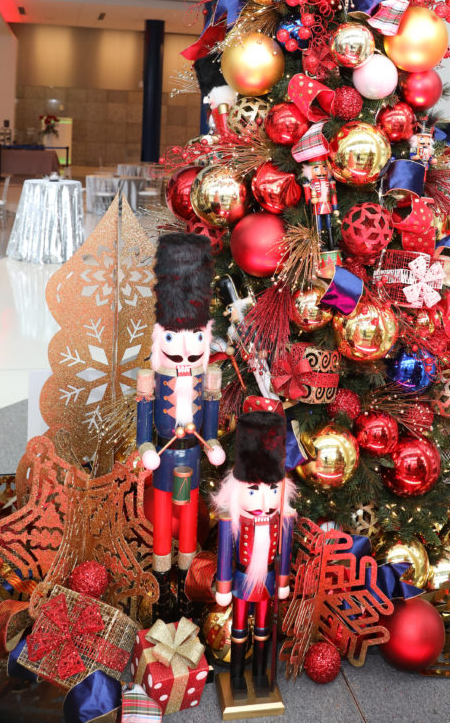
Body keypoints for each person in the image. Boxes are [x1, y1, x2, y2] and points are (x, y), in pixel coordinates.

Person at [137, 233, 225, 620]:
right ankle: (159, 586)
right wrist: (146, 450)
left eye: (195, 338)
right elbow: (143, 431)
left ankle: (187, 586)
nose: (185, 349)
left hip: (191, 460)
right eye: (174, 337)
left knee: (189, 518)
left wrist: (213, 444)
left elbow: (211, 429)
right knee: (161, 522)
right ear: (161, 337)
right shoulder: (153, 380)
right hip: (164, 459)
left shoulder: (208, 382)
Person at [213, 404, 296, 700]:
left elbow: (285, 551)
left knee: (263, 628)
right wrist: (223, 586)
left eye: (272, 489)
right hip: (241, 578)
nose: (264, 500)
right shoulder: (230, 519)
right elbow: (225, 553)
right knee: (238, 629)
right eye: (253, 491)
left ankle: (260, 674)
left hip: (269, 582)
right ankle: (236, 676)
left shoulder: (283, 518)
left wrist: (283, 582)